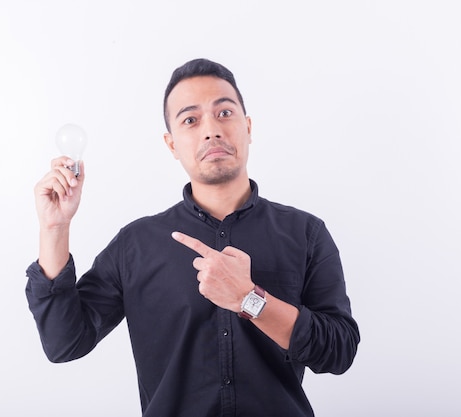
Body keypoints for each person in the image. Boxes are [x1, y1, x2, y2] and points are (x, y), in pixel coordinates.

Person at [26, 58, 360, 417]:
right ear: (171, 144)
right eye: (190, 120)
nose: (211, 130)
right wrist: (54, 229)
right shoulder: (136, 244)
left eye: (225, 113)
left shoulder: (305, 233)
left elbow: (339, 352)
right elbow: (64, 343)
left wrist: (250, 299)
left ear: (247, 127)